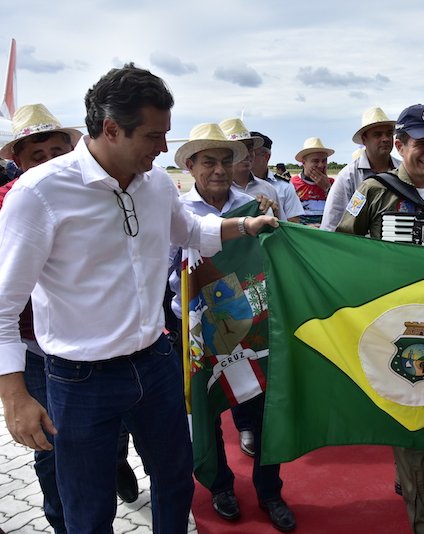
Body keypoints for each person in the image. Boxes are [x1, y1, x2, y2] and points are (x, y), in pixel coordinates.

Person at [0, 63, 278, 533]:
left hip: (155, 363)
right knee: (88, 509)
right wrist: (14, 395)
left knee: (174, 484)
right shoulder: (39, 194)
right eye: (153, 136)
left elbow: (188, 230)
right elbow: (5, 304)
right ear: (111, 129)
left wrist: (245, 226)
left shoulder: (155, 184)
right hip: (79, 381)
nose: (164, 149)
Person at [338, 104, 424, 534]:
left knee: (422, 404)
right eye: (421, 145)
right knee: (412, 402)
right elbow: (343, 245)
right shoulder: (374, 190)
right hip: (391, 318)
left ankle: (407, 478)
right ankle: (423, 515)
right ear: (400, 145)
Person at [169, 123, 295, 531]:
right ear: (190, 165)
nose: (219, 170)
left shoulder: (254, 205)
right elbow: (163, 272)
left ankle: (270, 491)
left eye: (226, 160)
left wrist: (266, 218)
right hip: (196, 330)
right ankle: (220, 486)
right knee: (207, 410)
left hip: (252, 328)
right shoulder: (178, 212)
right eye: (209, 162)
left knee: (261, 412)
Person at [0, 104, 82, 534]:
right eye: (38, 156)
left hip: (91, 347)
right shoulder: (9, 202)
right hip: (35, 347)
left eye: (57, 151)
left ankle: (114, 467)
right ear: (17, 162)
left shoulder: (94, 192)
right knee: (49, 441)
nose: (50, 162)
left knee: (99, 435)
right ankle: (62, 522)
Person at [320, 106, 399, 231]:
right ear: (364, 139)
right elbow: (331, 225)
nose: (385, 139)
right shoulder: (347, 177)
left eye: (389, 134)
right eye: (377, 135)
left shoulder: (404, 171)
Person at [219, 118, 280, 216]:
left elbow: (281, 226)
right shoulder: (213, 191)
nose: (247, 154)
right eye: (239, 149)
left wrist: (271, 213)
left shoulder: (268, 189)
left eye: (250, 147)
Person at [251, 131, 304, 223]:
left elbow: (293, 222)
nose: (246, 157)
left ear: (266, 157)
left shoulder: (284, 186)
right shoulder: (232, 184)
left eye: (252, 154)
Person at [291, 137, 335, 226]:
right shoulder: (292, 184)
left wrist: (328, 188)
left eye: (324, 161)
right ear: (304, 162)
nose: (321, 165)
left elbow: (342, 211)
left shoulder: (334, 183)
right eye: (315, 161)